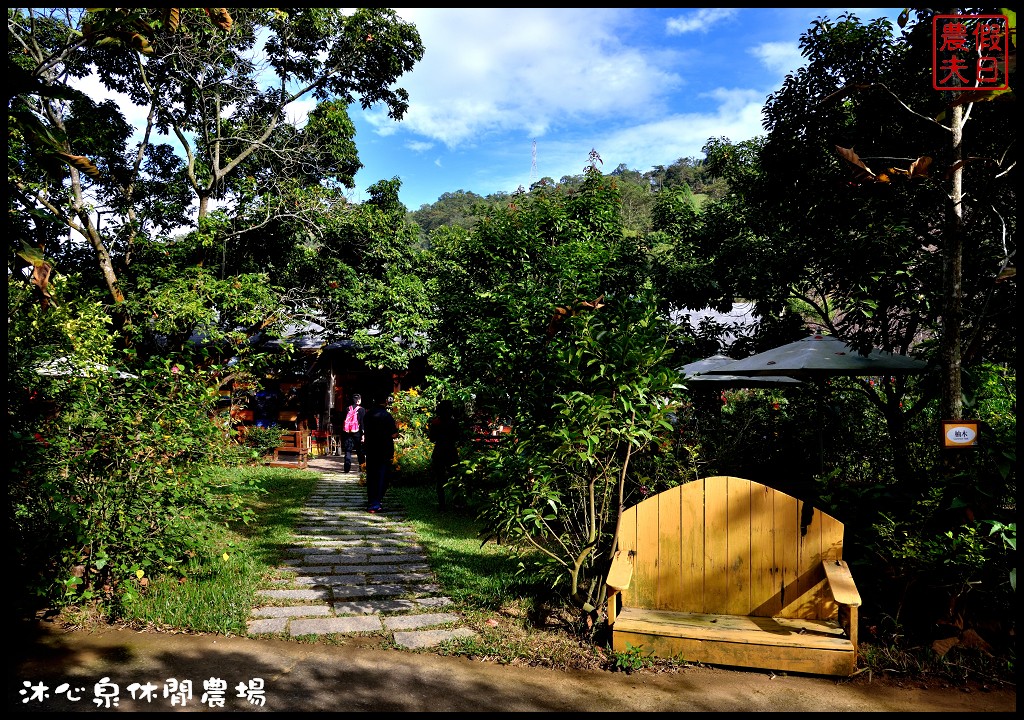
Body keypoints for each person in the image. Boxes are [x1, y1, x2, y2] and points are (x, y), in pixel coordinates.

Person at [362, 395, 399, 513]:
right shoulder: (387, 416)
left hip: (370, 449)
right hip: (384, 449)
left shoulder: (367, 415)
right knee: (382, 476)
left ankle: (371, 501)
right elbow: (393, 434)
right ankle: (376, 503)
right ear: (385, 403)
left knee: (371, 475)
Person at [427, 399, 460, 510]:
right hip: (451, 450)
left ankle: (442, 503)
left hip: (439, 450)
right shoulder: (453, 422)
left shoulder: (436, 422)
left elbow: (432, 438)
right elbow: (458, 437)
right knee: (454, 477)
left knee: (440, 479)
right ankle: (456, 502)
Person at [341, 394, 365, 473]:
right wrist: (363, 434)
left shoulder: (347, 409)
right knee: (359, 451)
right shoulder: (361, 410)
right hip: (357, 433)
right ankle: (362, 467)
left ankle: (346, 468)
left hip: (348, 432)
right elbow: (362, 423)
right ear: (358, 400)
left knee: (348, 450)